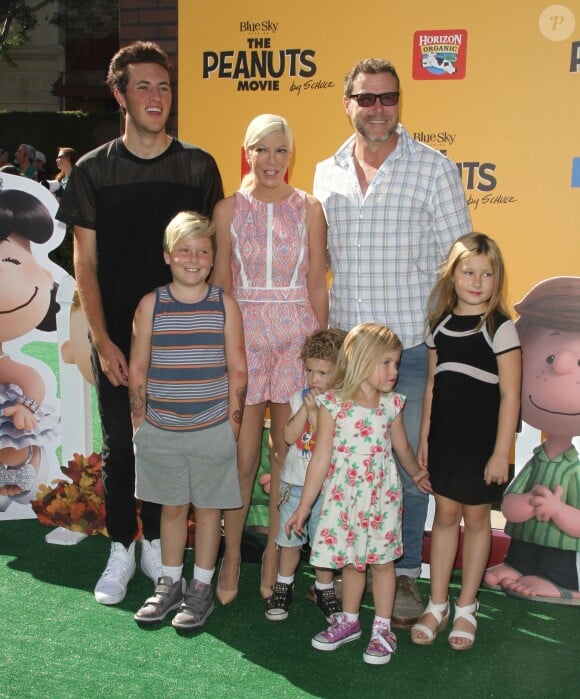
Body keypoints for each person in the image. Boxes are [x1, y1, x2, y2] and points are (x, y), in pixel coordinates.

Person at [56, 40, 224, 606]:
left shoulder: (198, 166)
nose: (157, 96)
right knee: (120, 447)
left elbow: (211, 256)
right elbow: (86, 262)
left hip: (185, 343)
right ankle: (120, 549)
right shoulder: (91, 171)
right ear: (119, 94)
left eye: (164, 86)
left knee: (166, 446)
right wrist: (102, 340)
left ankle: (156, 544)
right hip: (119, 341)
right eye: (144, 86)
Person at [313, 57, 472, 627]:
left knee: (406, 472)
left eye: (389, 98)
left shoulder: (433, 169)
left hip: (406, 351)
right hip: (346, 358)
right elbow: (319, 264)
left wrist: (447, 349)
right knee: (345, 466)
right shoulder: (324, 172)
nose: (379, 108)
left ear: (399, 102)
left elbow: (460, 262)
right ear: (348, 102)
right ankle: (342, 572)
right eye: (367, 98)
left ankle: (401, 578)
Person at [212, 113, 328, 603]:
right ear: (248, 153)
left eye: (281, 150)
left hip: (295, 343)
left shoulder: (310, 208)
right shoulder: (227, 209)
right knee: (242, 459)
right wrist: (223, 347)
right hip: (244, 340)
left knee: (286, 458)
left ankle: (281, 561)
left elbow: (316, 283)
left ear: (291, 155)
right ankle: (234, 555)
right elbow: (221, 281)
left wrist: (322, 353)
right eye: (262, 150)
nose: (272, 161)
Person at [286, 323, 430, 665]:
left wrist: (417, 473)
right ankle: (349, 621)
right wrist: (304, 507)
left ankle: (382, 629)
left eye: (396, 364)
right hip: (344, 497)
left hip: (381, 498)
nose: (394, 371)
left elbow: (402, 448)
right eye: (387, 363)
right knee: (352, 561)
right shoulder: (332, 406)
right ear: (362, 361)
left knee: (382, 563)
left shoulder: (390, 405)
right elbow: (320, 459)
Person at [130, 211, 246, 630]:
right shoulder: (150, 304)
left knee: (210, 510)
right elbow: (138, 367)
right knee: (173, 508)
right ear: (167, 255)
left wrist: (230, 427)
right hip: (160, 428)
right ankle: (170, 583)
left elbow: (237, 368)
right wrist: (139, 424)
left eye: (202, 252)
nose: (193, 259)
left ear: (213, 259)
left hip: (213, 427)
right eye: (184, 250)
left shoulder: (224, 305)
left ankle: (200, 588)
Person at [411, 233, 521, 650]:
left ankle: (466, 607)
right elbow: (433, 390)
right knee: (443, 518)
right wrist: (424, 440)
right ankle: (436, 604)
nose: (476, 282)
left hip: (481, 448)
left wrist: (500, 454)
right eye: (468, 272)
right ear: (452, 275)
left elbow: (510, 395)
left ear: (497, 279)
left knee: (476, 522)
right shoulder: (439, 325)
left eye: (486, 274)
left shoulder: (501, 328)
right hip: (444, 442)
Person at [266, 327, 347, 622]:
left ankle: (324, 587)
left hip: (326, 487)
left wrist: (316, 415)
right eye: (310, 371)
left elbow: (335, 446)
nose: (315, 379)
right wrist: (305, 410)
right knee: (289, 539)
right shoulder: (299, 397)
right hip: (294, 483)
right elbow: (287, 437)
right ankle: (283, 584)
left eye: (323, 373)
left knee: (324, 542)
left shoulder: (343, 405)